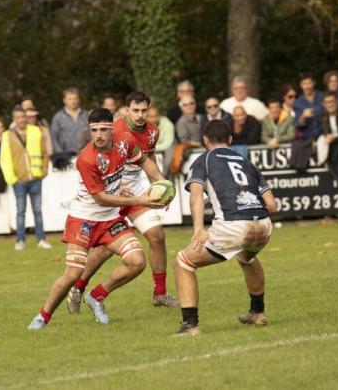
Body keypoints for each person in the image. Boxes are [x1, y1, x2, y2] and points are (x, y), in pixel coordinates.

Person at [27, 108, 166, 330]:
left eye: (103, 129)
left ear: (113, 128)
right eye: (94, 130)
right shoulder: (87, 158)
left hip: (110, 220)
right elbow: (101, 198)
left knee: (137, 262)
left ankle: (96, 296)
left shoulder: (125, 141)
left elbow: (144, 161)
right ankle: (43, 316)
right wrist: (140, 199)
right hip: (84, 219)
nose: (99, 135)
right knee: (72, 273)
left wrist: (160, 183)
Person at [66, 92, 179, 312]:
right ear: (126, 110)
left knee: (157, 235)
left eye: (144, 110)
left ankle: (160, 293)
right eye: (135, 110)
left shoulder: (152, 131)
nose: (140, 115)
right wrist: (114, 185)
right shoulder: (112, 130)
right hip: (112, 194)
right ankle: (78, 287)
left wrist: (160, 185)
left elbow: (149, 158)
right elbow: (95, 165)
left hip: (135, 191)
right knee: (105, 250)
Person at [175, 120, 276, 336]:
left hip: (234, 225)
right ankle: (257, 313)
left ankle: (190, 325)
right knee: (246, 257)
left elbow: (196, 196)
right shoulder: (246, 162)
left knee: (184, 262)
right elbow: (272, 204)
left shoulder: (205, 160)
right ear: (230, 140)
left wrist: (199, 229)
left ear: (205, 140)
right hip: (264, 225)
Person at [0, 106, 52, 251]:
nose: (21, 120)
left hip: (36, 177)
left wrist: (44, 170)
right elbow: (4, 158)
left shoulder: (36, 131)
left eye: (23, 117)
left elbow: (44, 152)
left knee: (38, 211)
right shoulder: (7, 135)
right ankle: (20, 240)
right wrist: (12, 179)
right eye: (18, 117)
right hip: (19, 180)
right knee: (20, 211)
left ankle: (41, 239)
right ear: (14, 119)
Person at [50, 87, 89, 154]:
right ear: (64, 100)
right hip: (65, 156)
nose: (73, 101)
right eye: (70, 99)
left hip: (85, 155)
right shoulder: (58, 117)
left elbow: (92, 136)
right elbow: (54, 138)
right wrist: (61, 154)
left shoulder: (86, 115)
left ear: (79, 100)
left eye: (75, 98)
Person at [294, 72, 324, 142]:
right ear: (301, 85)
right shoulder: (298, 102)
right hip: (307, 139)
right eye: (304, 84)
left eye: (309, 83)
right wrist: (303, 116)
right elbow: (298, 125)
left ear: (314, 83)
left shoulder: (323, 97)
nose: (307, 86)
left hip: (324, 137)